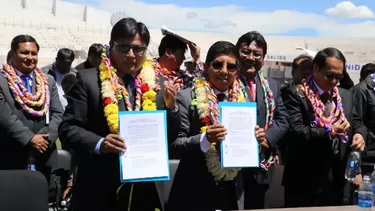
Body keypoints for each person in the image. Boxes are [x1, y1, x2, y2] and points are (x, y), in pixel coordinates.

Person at [58, 17, 179, 211]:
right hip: (99, 189)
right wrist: (100, 143)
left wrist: (172, 109)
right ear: (111, 45)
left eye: (138, 48)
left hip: (143, 190)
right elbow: (67, 128)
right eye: (123, 47)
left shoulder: (160, 84)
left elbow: (172, 136)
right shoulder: (89, 80)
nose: (131, 54)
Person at [168, 41, 246, 210]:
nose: (224, 71)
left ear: (237, 71)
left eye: (231, 67)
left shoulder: (243, 101)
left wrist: (255, 138)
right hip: (195, 192)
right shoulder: (186, 97)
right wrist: (205, 139)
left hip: (232, 194)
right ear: (206, 66)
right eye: (218, 65)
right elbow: (176, 145)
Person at [282, 47, 365, 207]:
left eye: (338, 76)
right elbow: (295, 131)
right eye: (330, 75)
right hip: (304, 179)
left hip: (335, 179)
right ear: (315, 69)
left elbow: (356, 122)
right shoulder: (296, 94)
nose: (334, 81)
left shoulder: (344, 95)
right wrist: (329, 130)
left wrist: (359, 134)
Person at [235, 31, 289, 209]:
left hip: (261, 164)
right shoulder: (225, 80)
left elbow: (282, 119)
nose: (250, 58)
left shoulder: (272, 85)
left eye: (256, 54)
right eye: (245, 52)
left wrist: (267, 138)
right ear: (236, 53)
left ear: (263, 58)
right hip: (231, 165)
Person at [0, 35, 63, 181]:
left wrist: (47, 138)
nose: (30, 57)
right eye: (24, 53)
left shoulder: (48, 81)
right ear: (13, 54)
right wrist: (30, 139)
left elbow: (58, 113)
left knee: (43, 200)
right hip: (11, 156)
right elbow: (5, 116)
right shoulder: (2, 81)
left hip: (44, 154)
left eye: (34, 53)